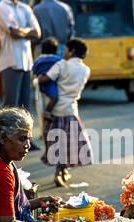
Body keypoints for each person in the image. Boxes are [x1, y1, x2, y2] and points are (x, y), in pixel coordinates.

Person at [38, 38, 93, 188]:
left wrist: (38, 78)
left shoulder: (62, 65)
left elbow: (45, 79)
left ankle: (59, 172)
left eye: (66, 50)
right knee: (68, 144)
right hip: (71, 110)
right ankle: (62, 172)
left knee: (57, 143)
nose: (64, 53)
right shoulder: (86, 70)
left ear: (72, 51)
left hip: (55, 110)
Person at [0, 0, 42, 150]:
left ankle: (24, 140)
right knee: (10, 106)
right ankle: (2, 142)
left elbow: (37, 33)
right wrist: (27, 31)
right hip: (10, 61)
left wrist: (22, 31)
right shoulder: (2, 7)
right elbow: (14, 33)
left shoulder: (24, 8)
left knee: (24, 107)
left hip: (26, 62)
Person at [32, 37, 61, 122]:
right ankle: (48, 112)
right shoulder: (57, 60)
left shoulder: (38, 60)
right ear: (55, 50)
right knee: (55, 98)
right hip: (51, 84)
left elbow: (34, 71)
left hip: (40, 86)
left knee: (40, 106)